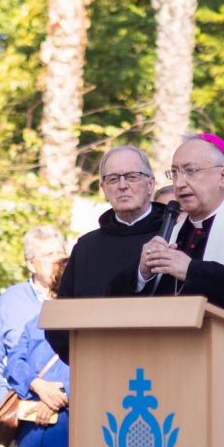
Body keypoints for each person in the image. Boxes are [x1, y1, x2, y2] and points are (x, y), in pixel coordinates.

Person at [110, 134, 224, 327]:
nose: (179, 183)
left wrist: (192, 270)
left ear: (223, 176)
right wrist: (142, 273)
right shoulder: (170, 234)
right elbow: (114, 303)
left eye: (190, 171)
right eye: (175, 173)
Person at [48, 145, 166, 361]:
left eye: (132, 176)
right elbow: (61, 319)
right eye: (113, 179)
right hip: (96, 371)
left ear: (150, 184)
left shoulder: (174, 236)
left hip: (163, 365)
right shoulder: (85, 248)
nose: (122, 186)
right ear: (103, 187)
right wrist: (86, 359)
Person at [0, 226, 67, 447]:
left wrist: (60, 398)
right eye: (48, 255)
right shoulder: (11, 301)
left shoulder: (80, 299)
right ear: (31, 263)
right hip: (24, 427)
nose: (57, 260)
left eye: (60, 253)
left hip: (69, 424)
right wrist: (15, 402)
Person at [5, 258, 71, 447]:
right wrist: (37, 384)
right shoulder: (36, 322)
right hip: (32, 433)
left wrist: (57, 399)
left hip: (69, 434)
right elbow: (14, 362)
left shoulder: (90, 325)